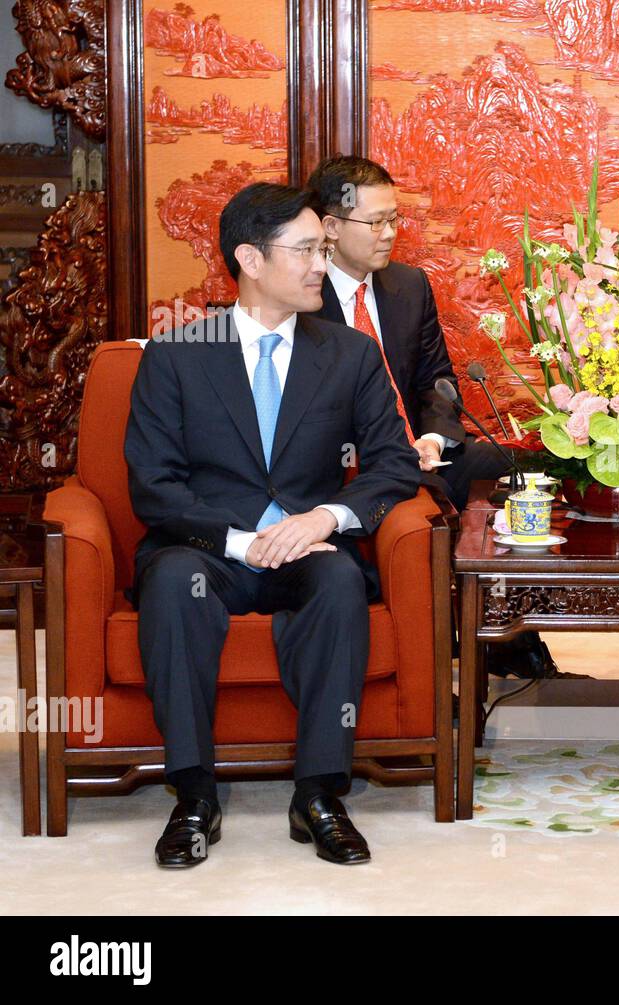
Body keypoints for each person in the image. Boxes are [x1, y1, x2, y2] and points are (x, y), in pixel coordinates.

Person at [126, 183, 421, 868]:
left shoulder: (348, 353)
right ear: (250, 259)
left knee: (341, 580)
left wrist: (325, 515)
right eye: (307, 250)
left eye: (324, 248)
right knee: (173, 580)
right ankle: (194, 795)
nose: (322, 264)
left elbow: (394, 463)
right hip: (208, 549)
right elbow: (154, 487)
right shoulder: (175, 356)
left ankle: (319, 794)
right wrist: (240, 541)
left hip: (307, 544)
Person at [305, 154, 560, 679]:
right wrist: (390, 449)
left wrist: (433, 439)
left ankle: (512, 638)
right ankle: (450, 655)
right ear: (330, 228)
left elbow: (437, 382)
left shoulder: (408, 286)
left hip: (421, 450)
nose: (388, 234)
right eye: (374, 222)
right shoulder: (301, 295)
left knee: (518, 470)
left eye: (394, 219)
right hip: (353, 462)